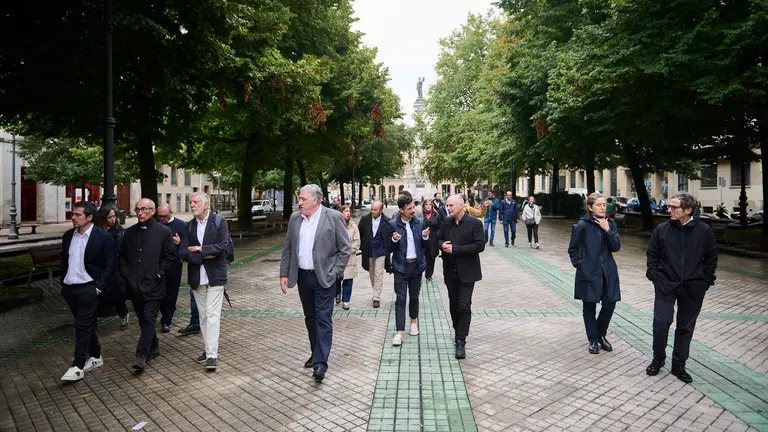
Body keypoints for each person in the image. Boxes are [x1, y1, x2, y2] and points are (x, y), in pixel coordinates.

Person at [279, 184, 352, 382]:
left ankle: (321, 364)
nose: (299, 202)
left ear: (315, 200)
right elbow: (288, 248)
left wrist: (335, 272)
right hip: (303, 277)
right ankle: (316, 352)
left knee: (323, 319)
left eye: (302, 199)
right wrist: (284, 274)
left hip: (324, 278)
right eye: (299, 198)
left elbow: (346, 248)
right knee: (310, 317)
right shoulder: (295, 219)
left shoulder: (333, 217)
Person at [645, 192, 718, 384]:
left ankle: (679, 365)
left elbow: (711, 258)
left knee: (685, 327)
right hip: (666, 285)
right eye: (670, 206)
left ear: (688, 209)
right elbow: (652, 254)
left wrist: (705, 280)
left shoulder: (704, 231)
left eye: (674, 207)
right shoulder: (662, 229)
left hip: (693, 288)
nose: (670, 209)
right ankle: (658, 359)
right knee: (661, 322)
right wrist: (654, 276)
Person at [59, 202, 117, 382]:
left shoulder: (103, 237)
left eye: (78, 215)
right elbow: (64, 261)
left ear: (89, 217)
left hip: (89, 288)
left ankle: (77, 366)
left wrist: (99, 287)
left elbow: (111, 264)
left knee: (81, 325)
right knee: (87, 323)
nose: (73, 218)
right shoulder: (68, 236)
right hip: (70, 288)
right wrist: (63, 282)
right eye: (73, 214)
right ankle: (95, 356)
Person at [119, 198, 176, 372]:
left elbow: (170, 257)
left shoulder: (163, 231)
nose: (140, 212)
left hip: (154, 285)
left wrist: (158, 273)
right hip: (135, 286)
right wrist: (127, 274)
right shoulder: (129, 233)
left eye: (144, 209)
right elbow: (122, 256)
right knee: (143, 320)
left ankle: (141, 355)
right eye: (137, 209)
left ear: (152, 211)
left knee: (150, 318)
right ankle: (154, 346)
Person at [179, 192, 231, 371]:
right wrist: (205, 255)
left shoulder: (219, 222)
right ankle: (208, 348)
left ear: (206, 204)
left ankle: (212, 355)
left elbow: (222, 246)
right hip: (197, 277)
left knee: (212, 314)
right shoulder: (189, 226)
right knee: (203, 316)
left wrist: (200, 249)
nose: (192, 205)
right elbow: (183, 252)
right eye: (190, 202)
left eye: (195, 202)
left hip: (216, 275)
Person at [568, 193, 621, 355]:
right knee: (589, 306)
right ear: (590, 207)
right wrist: (581, 265)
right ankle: (593, 339)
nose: (603, 207)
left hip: (608, 273)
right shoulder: (583, 225)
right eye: (598, 205)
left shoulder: (610, 224)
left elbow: (616, 247)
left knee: (610, 303)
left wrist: (607, 231)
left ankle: (600, 334)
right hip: (589, 272)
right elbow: (573, 249)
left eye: (604, 204)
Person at [438, 195, 485, 359]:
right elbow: (437, 238)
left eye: (450, 205)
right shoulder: (447, 222)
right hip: (450, 271)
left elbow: (480, 245)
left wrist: (456, 249)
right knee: (453, 304)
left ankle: (460, 340)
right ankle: (458, 329)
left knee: (464, 305)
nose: (448, 208)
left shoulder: (475, 223)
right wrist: (441, 245)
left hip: (468, 272)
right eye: (447, 205)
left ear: (460, 206)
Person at [388, 193, 430, 346]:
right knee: (400, 299)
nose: (413, 210)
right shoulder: (393, 225)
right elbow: (389, 247)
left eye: (413, 207)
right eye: (409, 208)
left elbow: (425, 246)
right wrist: (394, 240)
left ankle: (413, 321)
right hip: (400, 266)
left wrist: (425, 237)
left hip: (416, 266)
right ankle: (399, 332)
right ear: (401, 210)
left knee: (414, 297)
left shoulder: (419, 222)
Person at [93, 206, 129, 329]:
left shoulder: (118, 231)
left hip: (115, 269)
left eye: (114, 216)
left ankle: (124, 314)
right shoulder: (96, 232)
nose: (113, 219)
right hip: (101, 268)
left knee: (117, 295)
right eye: (109, 217)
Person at [156, 203, 186, 333]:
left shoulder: (181, 225)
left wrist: (180, 244)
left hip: (174, 265)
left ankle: (166, 320)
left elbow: (188, 245)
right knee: (159, 293)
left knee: (172, 293)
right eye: (160, 216)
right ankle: (164, 312)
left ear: (171, 212)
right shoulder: (156, 225)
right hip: (158, 264)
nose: (162, 219)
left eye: (165, 216)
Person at [358, 200, 392, 309]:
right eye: (371, 209)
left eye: (375, 210)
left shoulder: (387, 221)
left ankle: (376, 297)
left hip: (381, 251)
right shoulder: (365, 219)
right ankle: (375, 290)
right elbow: (359, 233)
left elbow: (390, 236)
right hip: (369, 250)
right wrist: (362, 246)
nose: (372, 211)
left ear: (381, 210)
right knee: (372, 273)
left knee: (378, 274)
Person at [335, 205, 360, 310]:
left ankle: (346, 301)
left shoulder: (353, 226)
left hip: (350, 258)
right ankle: (337, 294)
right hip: (337, 258)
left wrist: (349, 250)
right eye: (345, 211)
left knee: (348, 281)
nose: (348, 213)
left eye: (349, 211)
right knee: (336, 280)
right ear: (341, 213)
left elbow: (357, 241)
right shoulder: (335, 225)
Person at [421, 199, 443, 281]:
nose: (428, 206)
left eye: (430, 204)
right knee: (421, 256)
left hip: (433, 239)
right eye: (426, 204)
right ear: (424, 206)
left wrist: (437, 235)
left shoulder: (436, 215)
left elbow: (440, 227)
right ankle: (419, 273)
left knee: (431, 257)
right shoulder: (420, 215)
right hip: (422, 239)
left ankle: (429, 275)